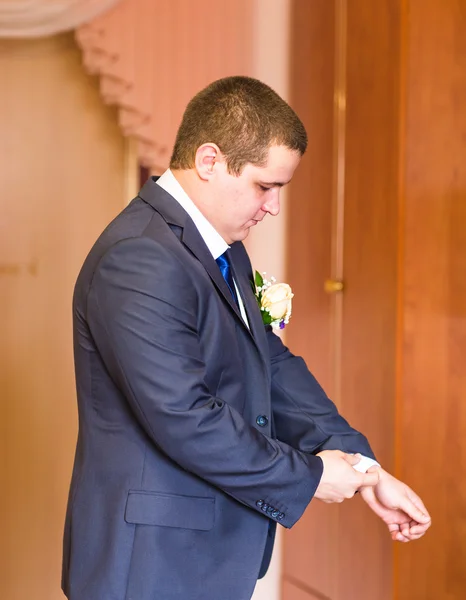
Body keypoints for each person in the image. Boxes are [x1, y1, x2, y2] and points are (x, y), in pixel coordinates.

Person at [62, 76, 430, 600]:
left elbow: (270, 364)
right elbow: (183, 417)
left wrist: (362, 465)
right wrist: (308, 477)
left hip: (204, 555)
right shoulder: (140, 257)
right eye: (265, 186)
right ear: (209, 160)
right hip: (150, 562)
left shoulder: (224, 248)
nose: (274, 207)